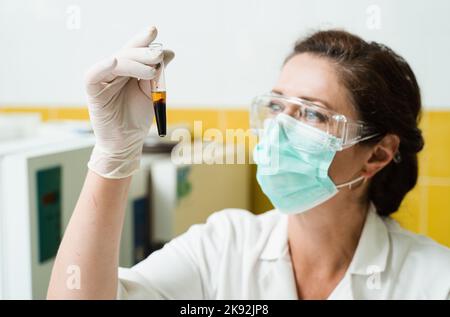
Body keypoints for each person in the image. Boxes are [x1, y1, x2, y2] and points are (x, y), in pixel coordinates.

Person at [47, 26, 450, 300]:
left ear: (376, 154)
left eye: (312, 114)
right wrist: (112, 158)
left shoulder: (434, 280)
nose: (278, 130)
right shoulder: (223, 247)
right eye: (275, 105)